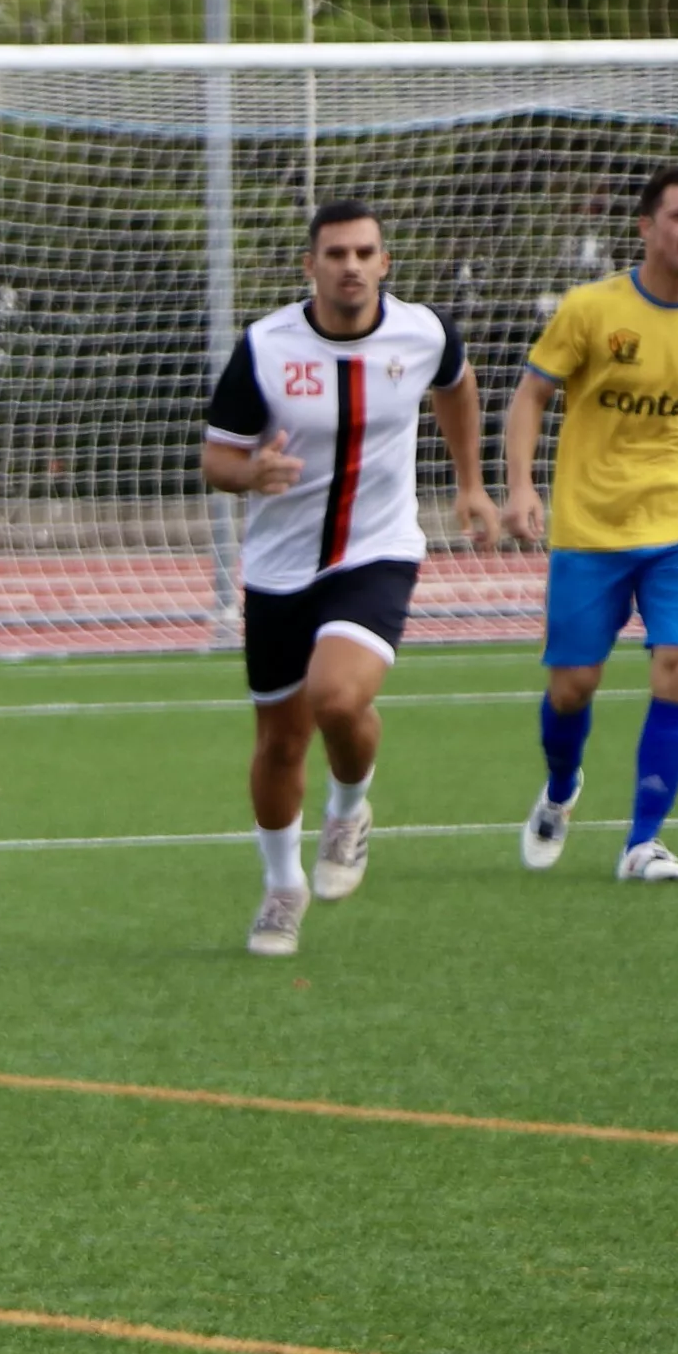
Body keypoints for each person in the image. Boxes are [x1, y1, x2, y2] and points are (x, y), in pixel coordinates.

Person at [202, 198, 496, 958]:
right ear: (310, 265)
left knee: (336, 695)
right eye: (335, 254)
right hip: (276, 568)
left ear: (384, 263)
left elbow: (456, 384)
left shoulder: (421, 332)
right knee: (277, 740)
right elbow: (215, 457)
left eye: (365, 253)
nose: (351, 266)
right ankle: (280, 887)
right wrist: (251, 471)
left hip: (376, 551)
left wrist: (468, 482)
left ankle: (349, 809)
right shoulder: (265, 347)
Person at [500, 164, 678, 882]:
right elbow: (529, 398)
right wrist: (520, 487)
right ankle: (559, 787)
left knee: (677, 669)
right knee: (570, 688)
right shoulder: (589, 309)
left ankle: (642, 842)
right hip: (589, 527)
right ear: (645, 227)